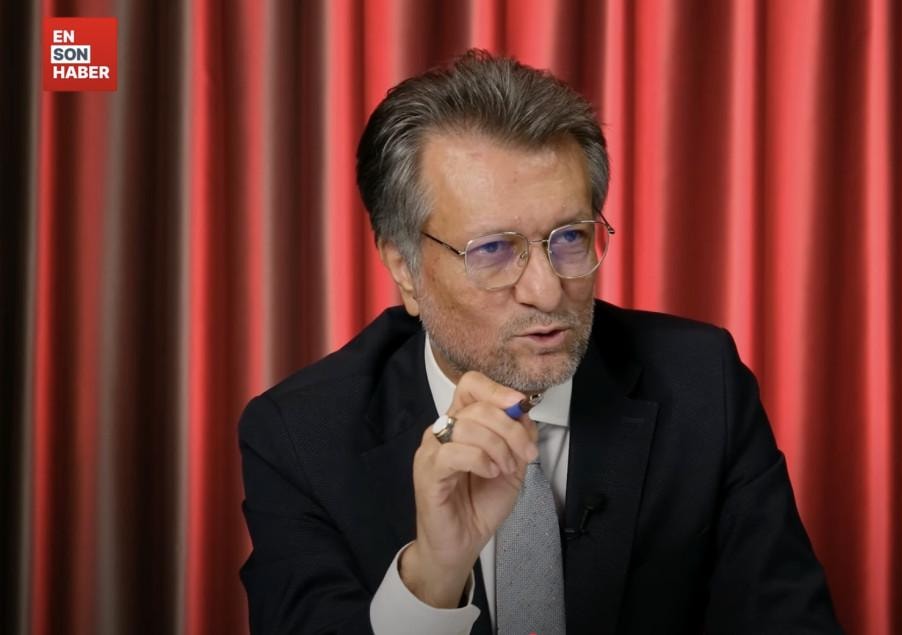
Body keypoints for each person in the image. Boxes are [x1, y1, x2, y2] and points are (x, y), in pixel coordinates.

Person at [238, 49, 841, 634]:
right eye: (493, 249)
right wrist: (434, 577)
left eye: (570, 237)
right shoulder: (298, 437)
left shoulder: (702, 384)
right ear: (405, 269)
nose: (548, 291)